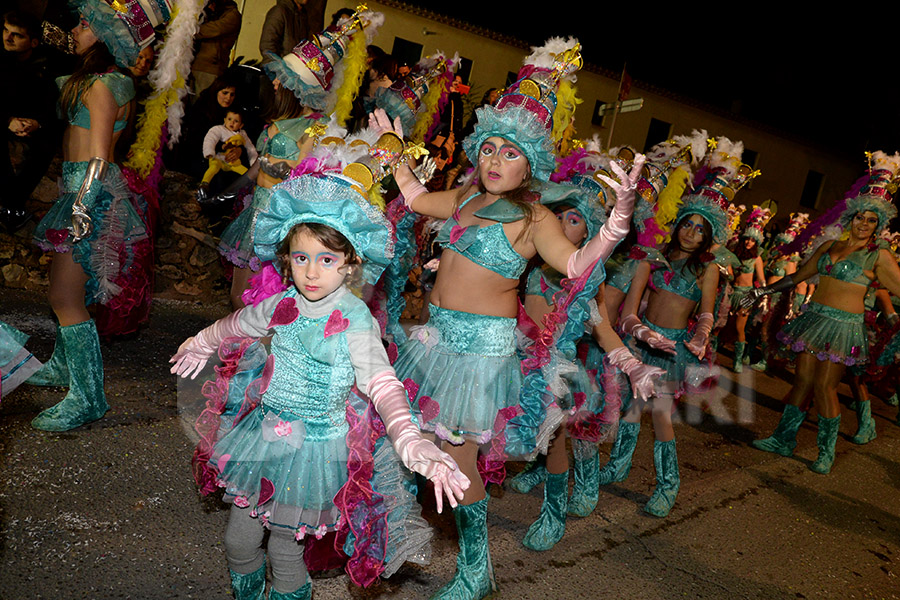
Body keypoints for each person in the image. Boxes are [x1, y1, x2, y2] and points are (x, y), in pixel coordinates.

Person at [386, 39, 642, 599]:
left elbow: (575, 263)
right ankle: (404, 534)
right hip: (433, 339)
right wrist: (396, 154)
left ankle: (476, 570)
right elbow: (412, 197)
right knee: (410, 441)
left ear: (531, 164)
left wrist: (616, 222)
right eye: (489, 149)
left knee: (460, 460)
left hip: (480, 355)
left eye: (510, 153)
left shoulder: (533, 217)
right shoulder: (463, 199)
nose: (495, 161)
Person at [171, 136, 469, 600]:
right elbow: (240, 322)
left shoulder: (353, 318)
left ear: (350, 262)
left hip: (316, 450)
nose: (312, 271)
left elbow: (381, 381)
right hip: (265, 433)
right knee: (237, 540)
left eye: (326, 259)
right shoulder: (283, 302)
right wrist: (200, 340)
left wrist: (408, 439)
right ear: (286, 259)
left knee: (286, 552)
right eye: (301, 257)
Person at [27, 0, 168, 431]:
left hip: (86, 196)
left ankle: (88, 397)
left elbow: (101, 156)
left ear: (107, 37)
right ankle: (62, 366)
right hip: (82, 194)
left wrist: (82, 208)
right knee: (64, 290)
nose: (79, 28)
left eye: (88, 24)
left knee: (66, 300)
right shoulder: (106, 80)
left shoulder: (100, 86)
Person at [513, 175, 665, 551]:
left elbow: (604, 329)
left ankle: (554, 513)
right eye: (560, 215)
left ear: (590, 235)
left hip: (557, 369)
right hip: (516, 359)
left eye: (576, 220)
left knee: (559, 441)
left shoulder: (587, 280)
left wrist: (632, 364)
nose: (564, 224)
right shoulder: (530, 263)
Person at [744, 151, 900, 474]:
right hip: (814, 320)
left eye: (872, 220)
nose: (864, 224)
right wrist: (762, 290)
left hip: (844, 328)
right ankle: (783, 438)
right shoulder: (829, 249)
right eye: (861, 217)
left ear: (879, 225)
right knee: (801, 382)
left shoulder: (879, 255)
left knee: (824, 388)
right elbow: (796, 277)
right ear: (851, 217)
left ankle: (825, 451)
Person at [0, 9, 64, 232]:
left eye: (16, 35)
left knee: (47, 144)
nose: (7, 38)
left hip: (31, 122)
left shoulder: (47, 63)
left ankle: (12, 205)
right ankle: (11, 206)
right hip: (6, 119)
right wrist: (7, 120)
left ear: (33, 42)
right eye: (6, 31)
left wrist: (36, 123)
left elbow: (51, 103)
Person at [728, 207, 769, 372]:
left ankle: (737, 361)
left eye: (752, 240)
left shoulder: (756, 258)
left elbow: (761, 279)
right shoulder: (734, 252)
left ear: (756, 242)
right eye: (747, 239)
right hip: (731, 292)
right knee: (719, 325)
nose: (748, 242)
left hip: (746, 295)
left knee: (739, 328)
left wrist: (764, 297)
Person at [190, 0, 241, 98]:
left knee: (202, 105)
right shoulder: (216, 11)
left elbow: (211, 30)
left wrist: (187, 30)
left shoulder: (233, 15)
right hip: (197, 65)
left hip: (210, 69)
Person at [199, 107, 258, 190]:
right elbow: (210, 139)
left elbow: (250, 148)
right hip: (218, 158)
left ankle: (254, 186)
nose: (232, 122)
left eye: (236, 121)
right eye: (229, 119)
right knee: (213, 168)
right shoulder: (218, 129)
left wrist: (253, 162)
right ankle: (204, 183)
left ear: (241, 125)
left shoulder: (243, 134)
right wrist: (209, 152)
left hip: (233, 162)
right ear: (224, 120)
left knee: (246, 172)